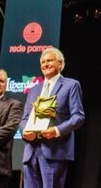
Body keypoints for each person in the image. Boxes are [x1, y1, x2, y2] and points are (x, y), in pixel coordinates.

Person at [21, 47, 85, 188]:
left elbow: (78, 116)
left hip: (55, 151)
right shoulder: (34, 89)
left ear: (60, 64)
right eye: (43, 62)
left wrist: (56, 131)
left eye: (49, 60)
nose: (45, 64)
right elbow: (25, 118)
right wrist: (25, 131)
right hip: (31, 152)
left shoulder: (71, 85)